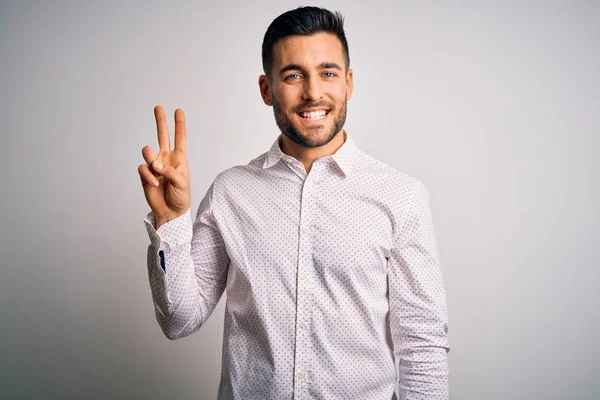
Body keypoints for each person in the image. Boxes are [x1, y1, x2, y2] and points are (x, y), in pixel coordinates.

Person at [138, 6, 450, 400]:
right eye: (293, 75)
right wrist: (170, 219)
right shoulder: (231, 193)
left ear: (348, 83)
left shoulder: (401, 196)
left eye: (328, 73)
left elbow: (422, 348)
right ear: (267, 89)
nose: (313, 92)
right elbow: (179, 320)